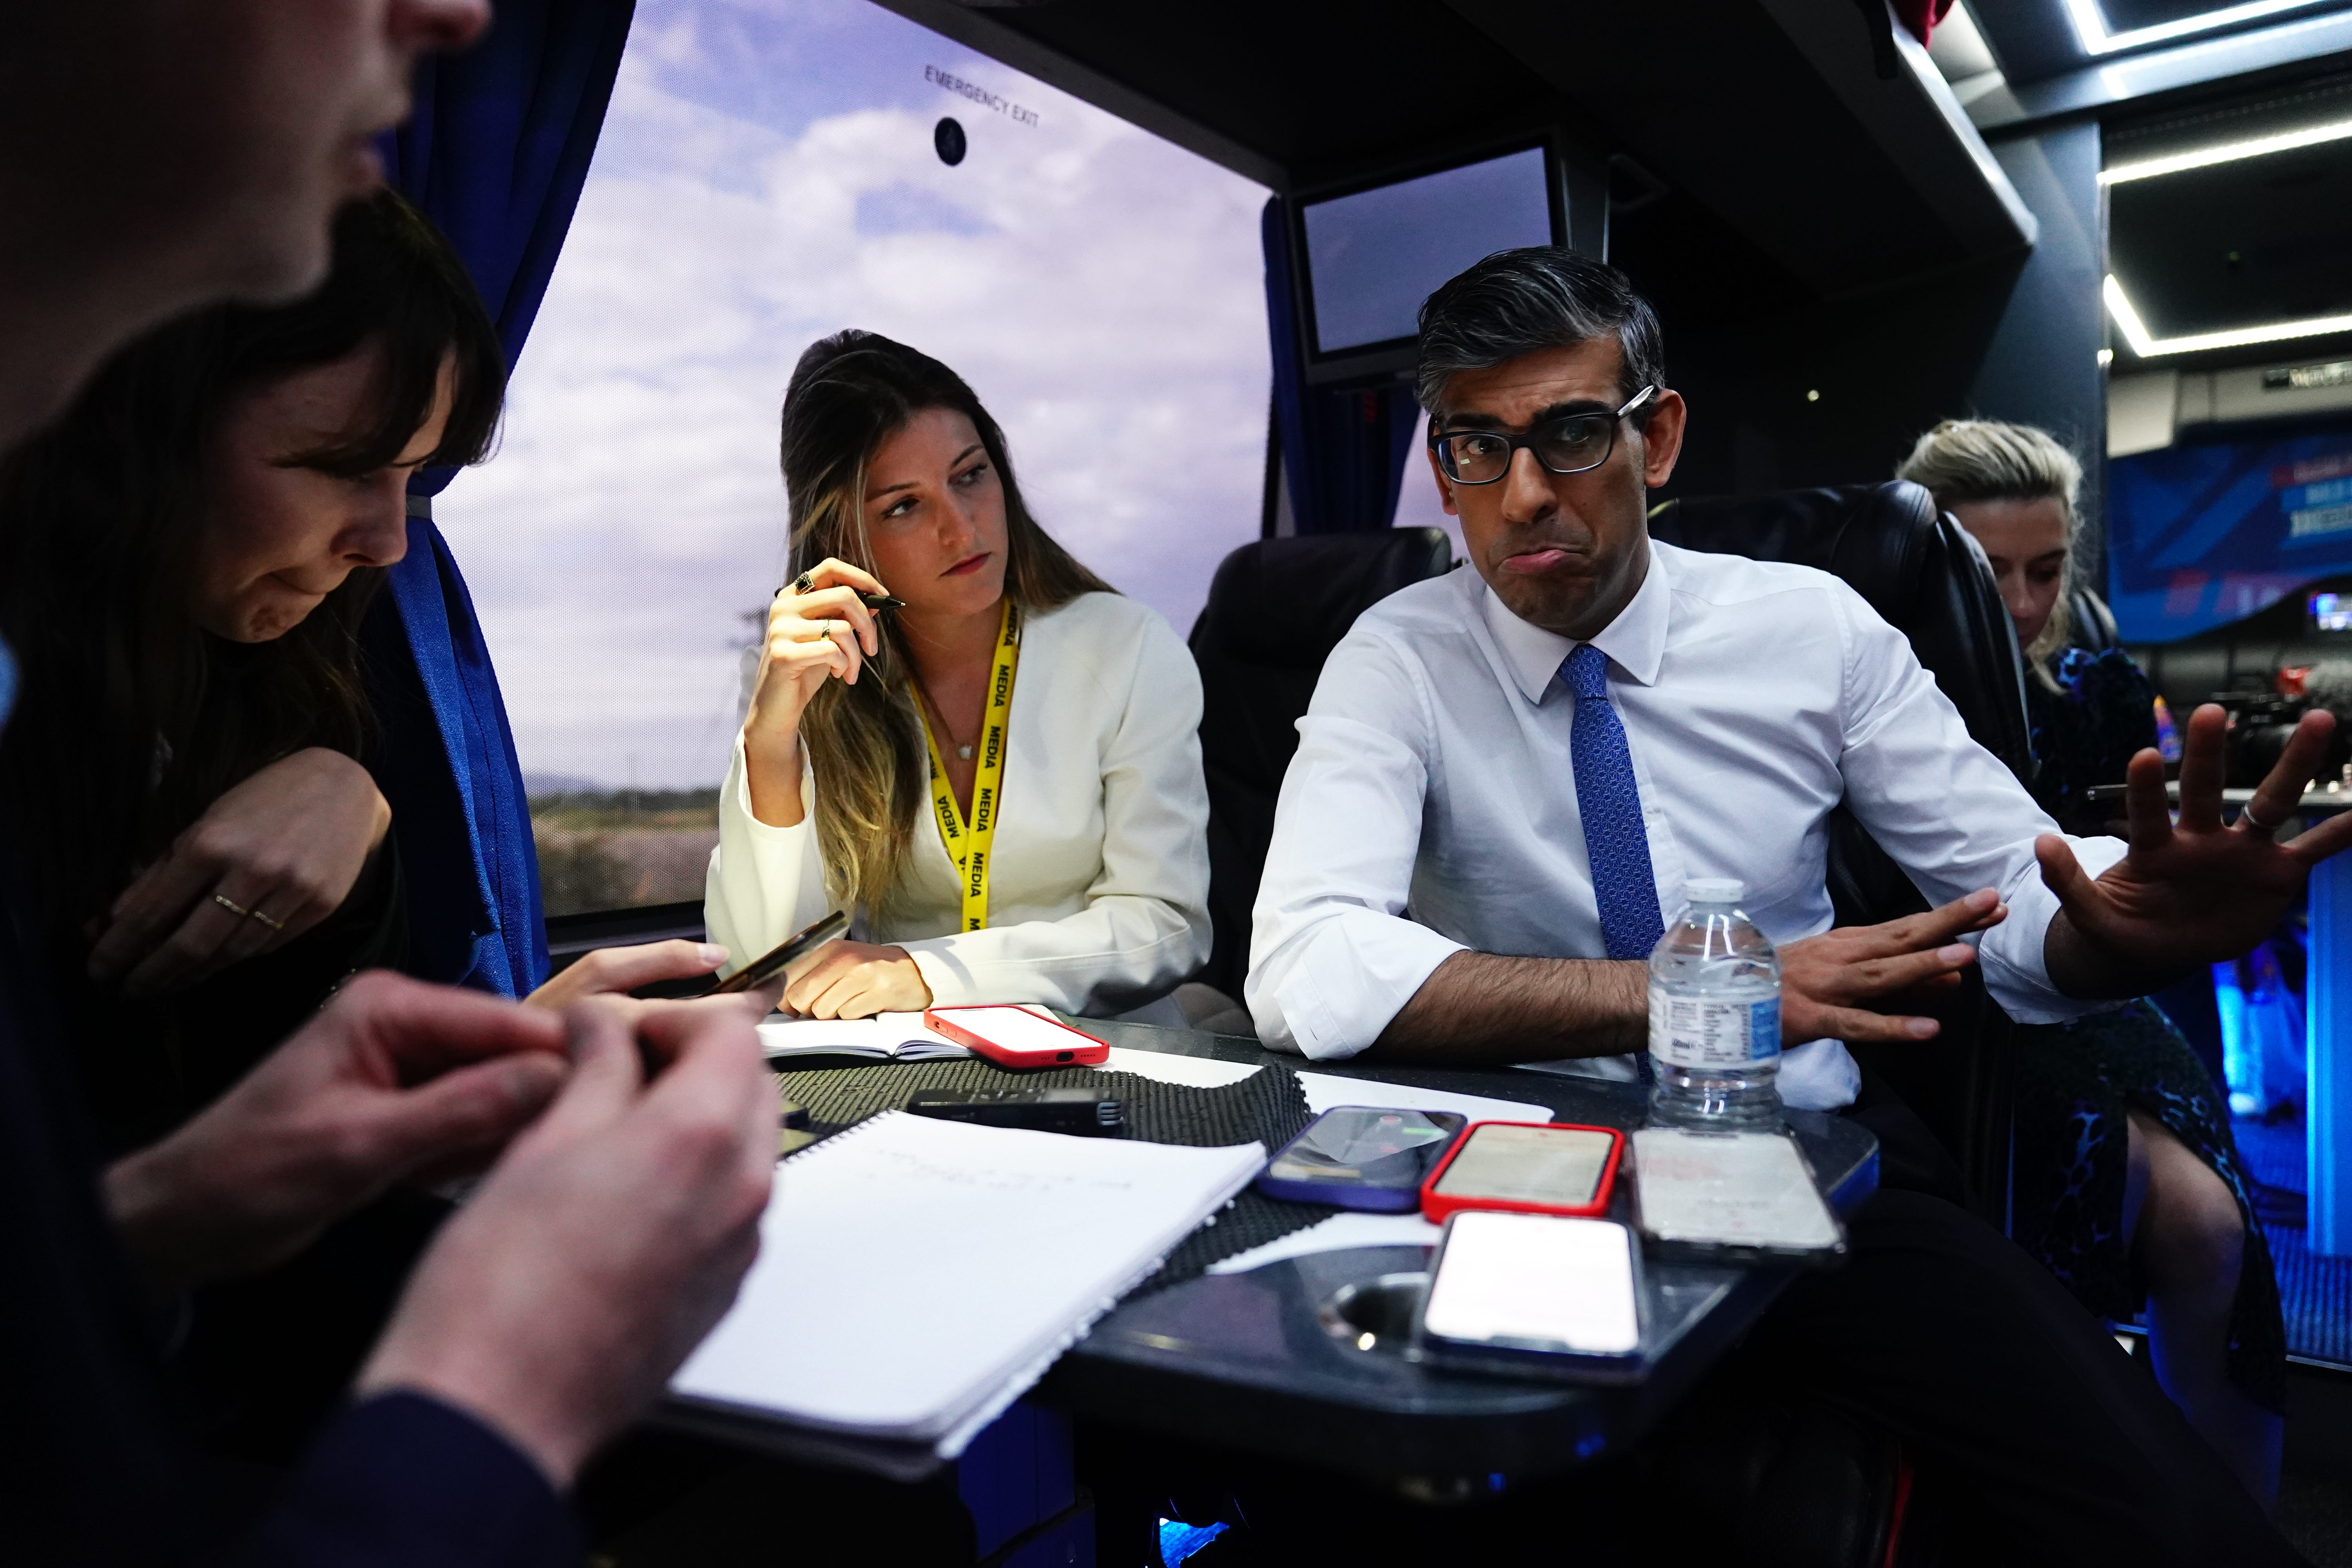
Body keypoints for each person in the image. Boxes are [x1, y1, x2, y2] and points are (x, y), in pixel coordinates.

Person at [1246, 247, 2336, 1560]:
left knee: (2162, 1521)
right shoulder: (1399, 654)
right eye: (1477, 446)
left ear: (1658, 437)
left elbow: (2012, 893)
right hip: (1516, 1163)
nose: (1523, 494)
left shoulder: (1812, 628)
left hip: (1797, 1158)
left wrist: (2111, 918)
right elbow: (1307, 961)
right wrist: (1682, 994)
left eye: (1572, 435)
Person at [0, 3, 779, 1563]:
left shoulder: (301, 684)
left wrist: (199, 1202)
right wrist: (505, 1381)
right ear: (136, 428)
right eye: (342, 464)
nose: (391, 542)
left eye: (418, 476)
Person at [1898, 416, 2285, 1504]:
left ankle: (2231, 1521)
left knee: (2214, 1233)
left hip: (2099, 983)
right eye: (1991, 575)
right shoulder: (1868, 687)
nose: (2024, 605)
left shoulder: (2099, 680)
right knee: (2084, 1210)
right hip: (1949, 993)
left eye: (2048, 571)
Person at [707, 330, 1210, 1023]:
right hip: (906, 1066)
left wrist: (933, 973)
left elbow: (1168, 925)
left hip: (1114, 1054)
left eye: (970, 475)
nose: (961, 527)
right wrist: (770, 742)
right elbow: (762, 970)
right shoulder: (808, 678)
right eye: (904, 506)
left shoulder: (1127, 646)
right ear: (841, 539)